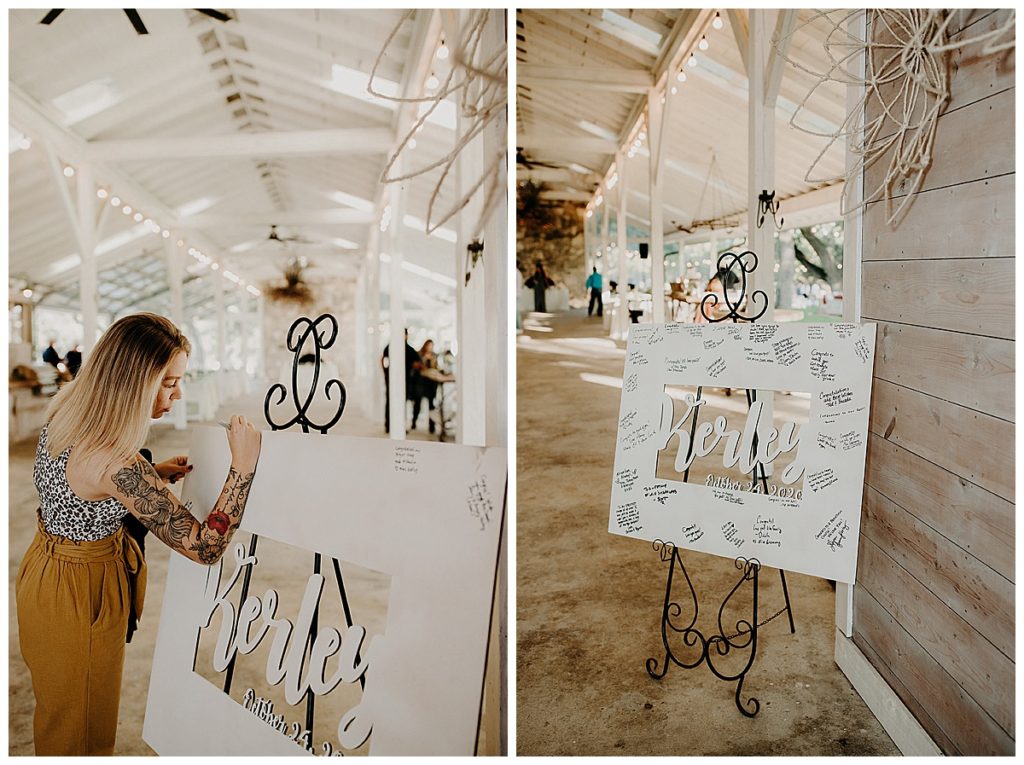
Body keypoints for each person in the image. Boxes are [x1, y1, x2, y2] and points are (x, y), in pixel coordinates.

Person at [15, 312, 262, 756]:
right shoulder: (112, 459)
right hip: (81, 591)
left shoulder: (70, 406)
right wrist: (243, 466)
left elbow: (81, 491)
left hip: (44, 573)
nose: (178, 393)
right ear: (133, 380)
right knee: (81, 736)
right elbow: (206, 546)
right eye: (168, 382)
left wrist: (153, 473)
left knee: (59, 716)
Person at [381, 329, 422, 434]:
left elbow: (383, 360)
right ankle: (391, 425)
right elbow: (383, 360)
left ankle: (393, 425)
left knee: (397, 403)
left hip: (403, 380)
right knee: (394, 402)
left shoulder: (404, 349)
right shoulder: (393, 347)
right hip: (398, 380)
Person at [412, 339, 438, 434]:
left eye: (431, 345)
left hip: (431, 383)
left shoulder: (434, 355)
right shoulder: (419, 354)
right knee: (418, 403)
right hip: (421, 383)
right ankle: (414, 422)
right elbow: (416, 367)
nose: (430, 347)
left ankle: (432, 426)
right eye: (428, 345)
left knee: (431, 405)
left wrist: (431, 360)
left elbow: (435, 367)